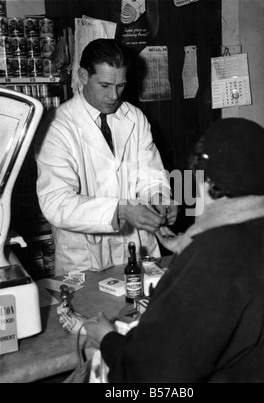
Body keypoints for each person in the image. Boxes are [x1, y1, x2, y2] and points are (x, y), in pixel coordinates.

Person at [81, 118, 264, 383]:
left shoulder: (212, 257)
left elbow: (153, 376)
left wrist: (107, 339)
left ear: (206, 181)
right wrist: (191, 245)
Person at [35, 39, 177, 276]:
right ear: (83, 76)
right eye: (105, 85)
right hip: (85, 256)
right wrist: (121, 210)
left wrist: (159, 197)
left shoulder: (134, 117)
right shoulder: (57, 127)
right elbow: (56, 202)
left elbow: (151, 174)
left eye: (121, 85)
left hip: (137, 245)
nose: (114, 95)